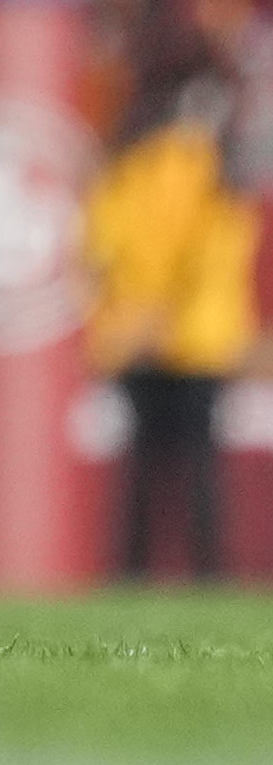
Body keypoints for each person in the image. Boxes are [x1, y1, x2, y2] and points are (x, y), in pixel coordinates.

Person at [85, 67, 256, 580]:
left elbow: (99, 253)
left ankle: (131, 573)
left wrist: (136, 323)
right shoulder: (217, 173)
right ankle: (209, 574)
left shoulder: (126, 173)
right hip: (200, 342)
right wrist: (172, 319)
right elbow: (218, 257)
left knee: (140, 465)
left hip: (136, 340)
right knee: (199, 464)